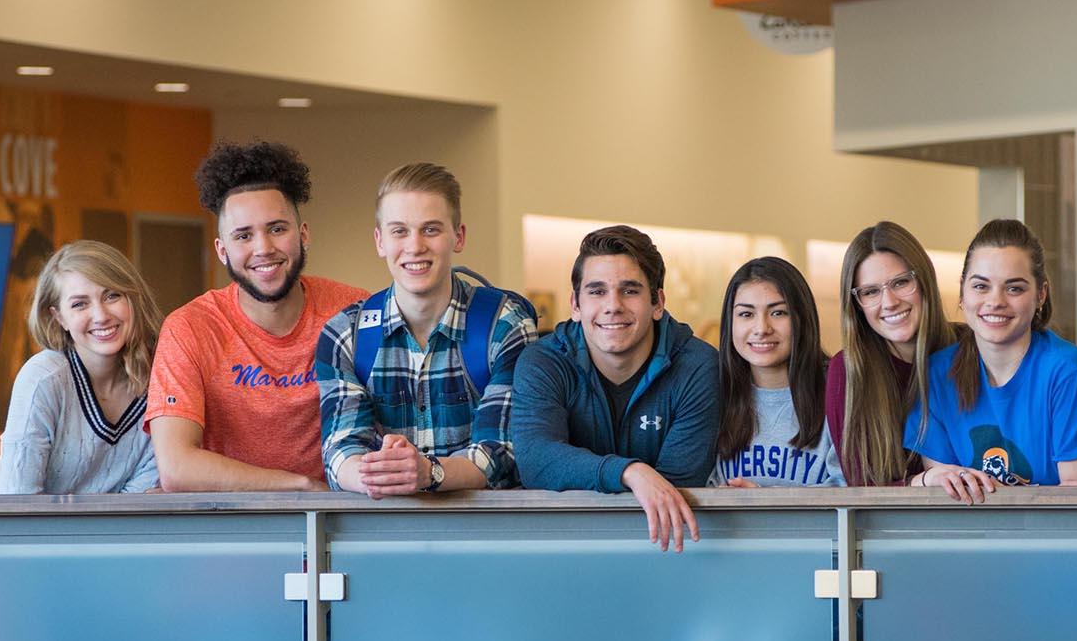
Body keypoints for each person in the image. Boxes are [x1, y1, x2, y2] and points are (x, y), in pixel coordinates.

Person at [145, 140, 367, 491]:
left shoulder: (356, 312)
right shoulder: (190, 328)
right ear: (222, 250)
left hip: (338, 524)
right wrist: (300, 488)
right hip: (231, 528)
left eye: (277, 228)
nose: (263, 248)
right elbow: (176, 467)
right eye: (243, 235)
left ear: (303, 234)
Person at [316, 163, 536, 496]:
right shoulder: (345, 335)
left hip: (486, 536)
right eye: (399, 231)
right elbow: (341, 450)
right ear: (379, 241)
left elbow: (504, 451)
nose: (414, 246)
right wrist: (388, 475)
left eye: (430, 229)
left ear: (458, 236)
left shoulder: (504, 325)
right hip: (378, 532)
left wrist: (428, 472)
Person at [513, 225, 720, 552]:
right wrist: (630, 472)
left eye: (630, 290)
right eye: (596, 291)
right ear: (575, 306)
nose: (613, 306)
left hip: (670, 548)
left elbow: (675, 487)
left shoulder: (697, 365)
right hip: (564, 547)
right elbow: (536, 460)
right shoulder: (544, 361)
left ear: (658, 303)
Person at [903, 219, 1077, 503]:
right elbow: (946, 496)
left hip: (1054, 542)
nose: (995, 301)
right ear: (963, 291)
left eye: (1014, 288)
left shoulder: (1069, 373)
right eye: (981, 286)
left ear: (1041, 294)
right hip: (970, 541)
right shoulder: (936, 375)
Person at [0, 241, 163, 494]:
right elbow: (16, 502)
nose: (101, 315)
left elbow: (140, 510)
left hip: (126, 534)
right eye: (79, 304)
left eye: (112, 295)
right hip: (39, 534)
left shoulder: (162, 380)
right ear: (59, 317)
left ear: (133, 299)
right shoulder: (43, 378)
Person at [826, 221, 956, 486]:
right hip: (893, 526)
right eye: (871, 292)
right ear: (857, 305)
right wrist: (924, 482)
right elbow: (862, 490)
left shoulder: (968, 348)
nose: (889, 302)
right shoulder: (848, 370)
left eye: (900, 282)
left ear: (924, 281)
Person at [711, 257, 844, 488]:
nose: (762, 328)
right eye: (746, 314)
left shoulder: (839, 389)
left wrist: (765, 502)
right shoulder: (714, 393)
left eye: (778, 313)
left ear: (802, 319)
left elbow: (850, 490)